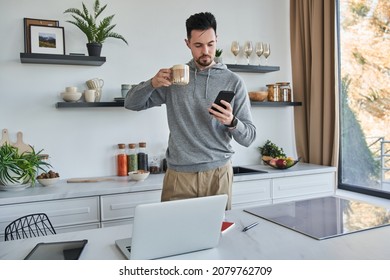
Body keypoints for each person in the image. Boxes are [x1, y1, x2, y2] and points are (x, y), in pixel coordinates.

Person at [124, 12, 256, 209]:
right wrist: (151, 83)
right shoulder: (174, 78)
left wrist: (232, 122)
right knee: (174, 236)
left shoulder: (233, 81)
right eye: (198, 45)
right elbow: (131, 103)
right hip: (179, 176)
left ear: (217, 40)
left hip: (218, 174)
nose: (205, 51)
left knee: (218, 236)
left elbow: (249, 137)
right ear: (187, 43)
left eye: (210, 44)